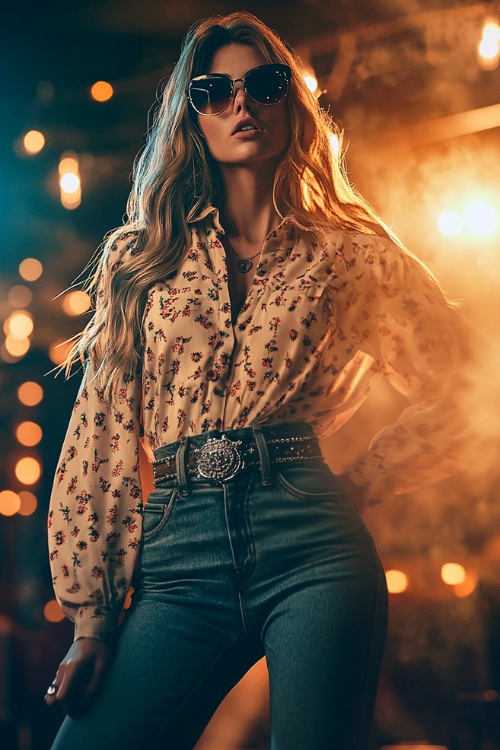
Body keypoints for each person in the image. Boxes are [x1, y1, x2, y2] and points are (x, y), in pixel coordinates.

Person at [45, 11, 475, 750]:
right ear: (194, 117)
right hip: (178, 559)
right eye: (216, 91)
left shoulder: (352, 257)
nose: (242, 104)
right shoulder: (140, 258)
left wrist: (365, 481)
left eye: (264, 84)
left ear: (291, 104)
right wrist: (93, 619)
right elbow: (101, 433)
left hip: (312, 545)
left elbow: (467, 386)